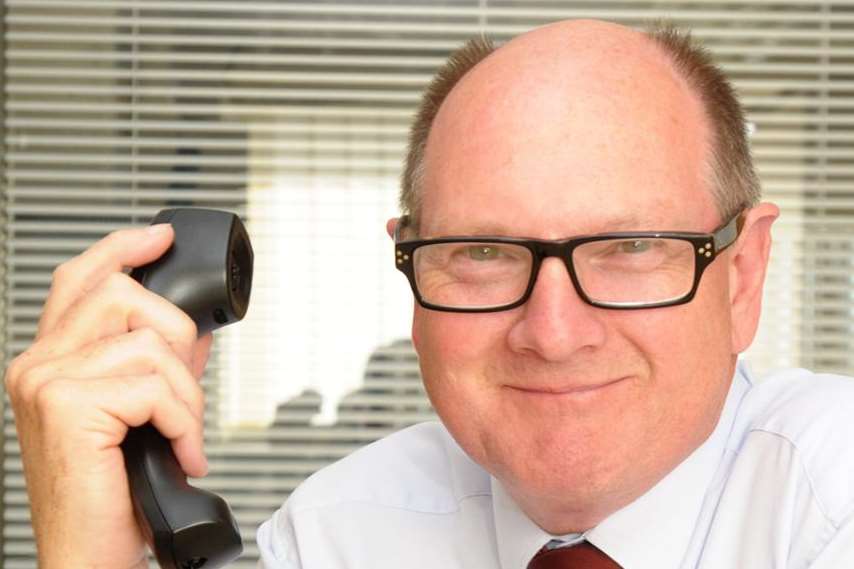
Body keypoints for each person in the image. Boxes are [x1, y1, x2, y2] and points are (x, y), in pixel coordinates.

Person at [5, 18, 854, 569]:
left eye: (632, 247)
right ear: (412, 274)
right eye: (482, 251)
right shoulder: (336, 535)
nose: (553, 333)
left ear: (742, 277)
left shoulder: (835, 501)